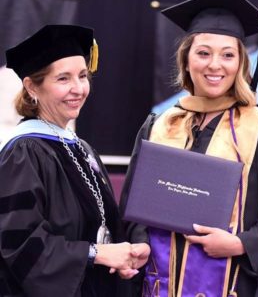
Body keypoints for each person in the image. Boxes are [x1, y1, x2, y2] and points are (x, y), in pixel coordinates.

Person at [119, 0, 258, 296]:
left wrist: (241, 243)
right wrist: (140, 242)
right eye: (203, 53)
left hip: (233, 284)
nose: (215, 65)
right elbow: (132, 210)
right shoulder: (159, 125)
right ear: (186, 60)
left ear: (241, 63)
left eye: (228, 55)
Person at [0, 24, 149, 297]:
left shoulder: (83, 150)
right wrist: (97, 254)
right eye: (63, 79)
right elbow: (20, 245)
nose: (78, 88)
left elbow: (99, 228)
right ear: (32, 87)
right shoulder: (23, 152)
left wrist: (125, 254)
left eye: (83, 76)